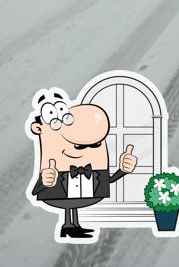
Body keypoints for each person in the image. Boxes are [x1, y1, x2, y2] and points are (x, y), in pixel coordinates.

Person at [27, 89, 138, 240]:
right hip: (61, 190)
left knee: (72, 204)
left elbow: (109, 180)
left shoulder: (94, 170)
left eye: (95, 145)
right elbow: (36, 191)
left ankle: (72, 226)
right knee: (68, 203)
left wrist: (124, 169)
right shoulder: (53, 166)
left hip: (82, 191)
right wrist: (45, 182)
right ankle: (68, 226)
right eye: (79, 146)